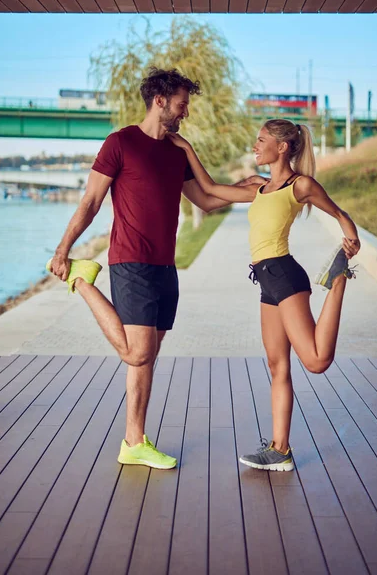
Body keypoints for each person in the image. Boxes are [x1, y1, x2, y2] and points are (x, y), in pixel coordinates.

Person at [46, 68, 241, 470]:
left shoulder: (175, 152)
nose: (186, 112)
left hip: (164, 265)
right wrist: (64, 250)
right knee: (138, 352)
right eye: (183, 104)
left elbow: (205, 199)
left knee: (146, 357)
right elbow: (90, 202)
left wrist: (257, 191)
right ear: (161, 100)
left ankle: (133, 442)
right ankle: (82, 280)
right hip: (130, 259)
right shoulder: (120, 143)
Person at [168, 118, 360, 472]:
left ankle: (338, 280)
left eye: (261, 140)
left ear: (282, 147)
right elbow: (208, 192)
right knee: (277, 366)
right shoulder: (258, 187)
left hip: (285, 276)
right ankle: (279, 450)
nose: (255, 146)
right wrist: (182, 151)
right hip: (267, 281)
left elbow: (337, 211)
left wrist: (351, 241)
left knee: (316, 361)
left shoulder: (299, 185)